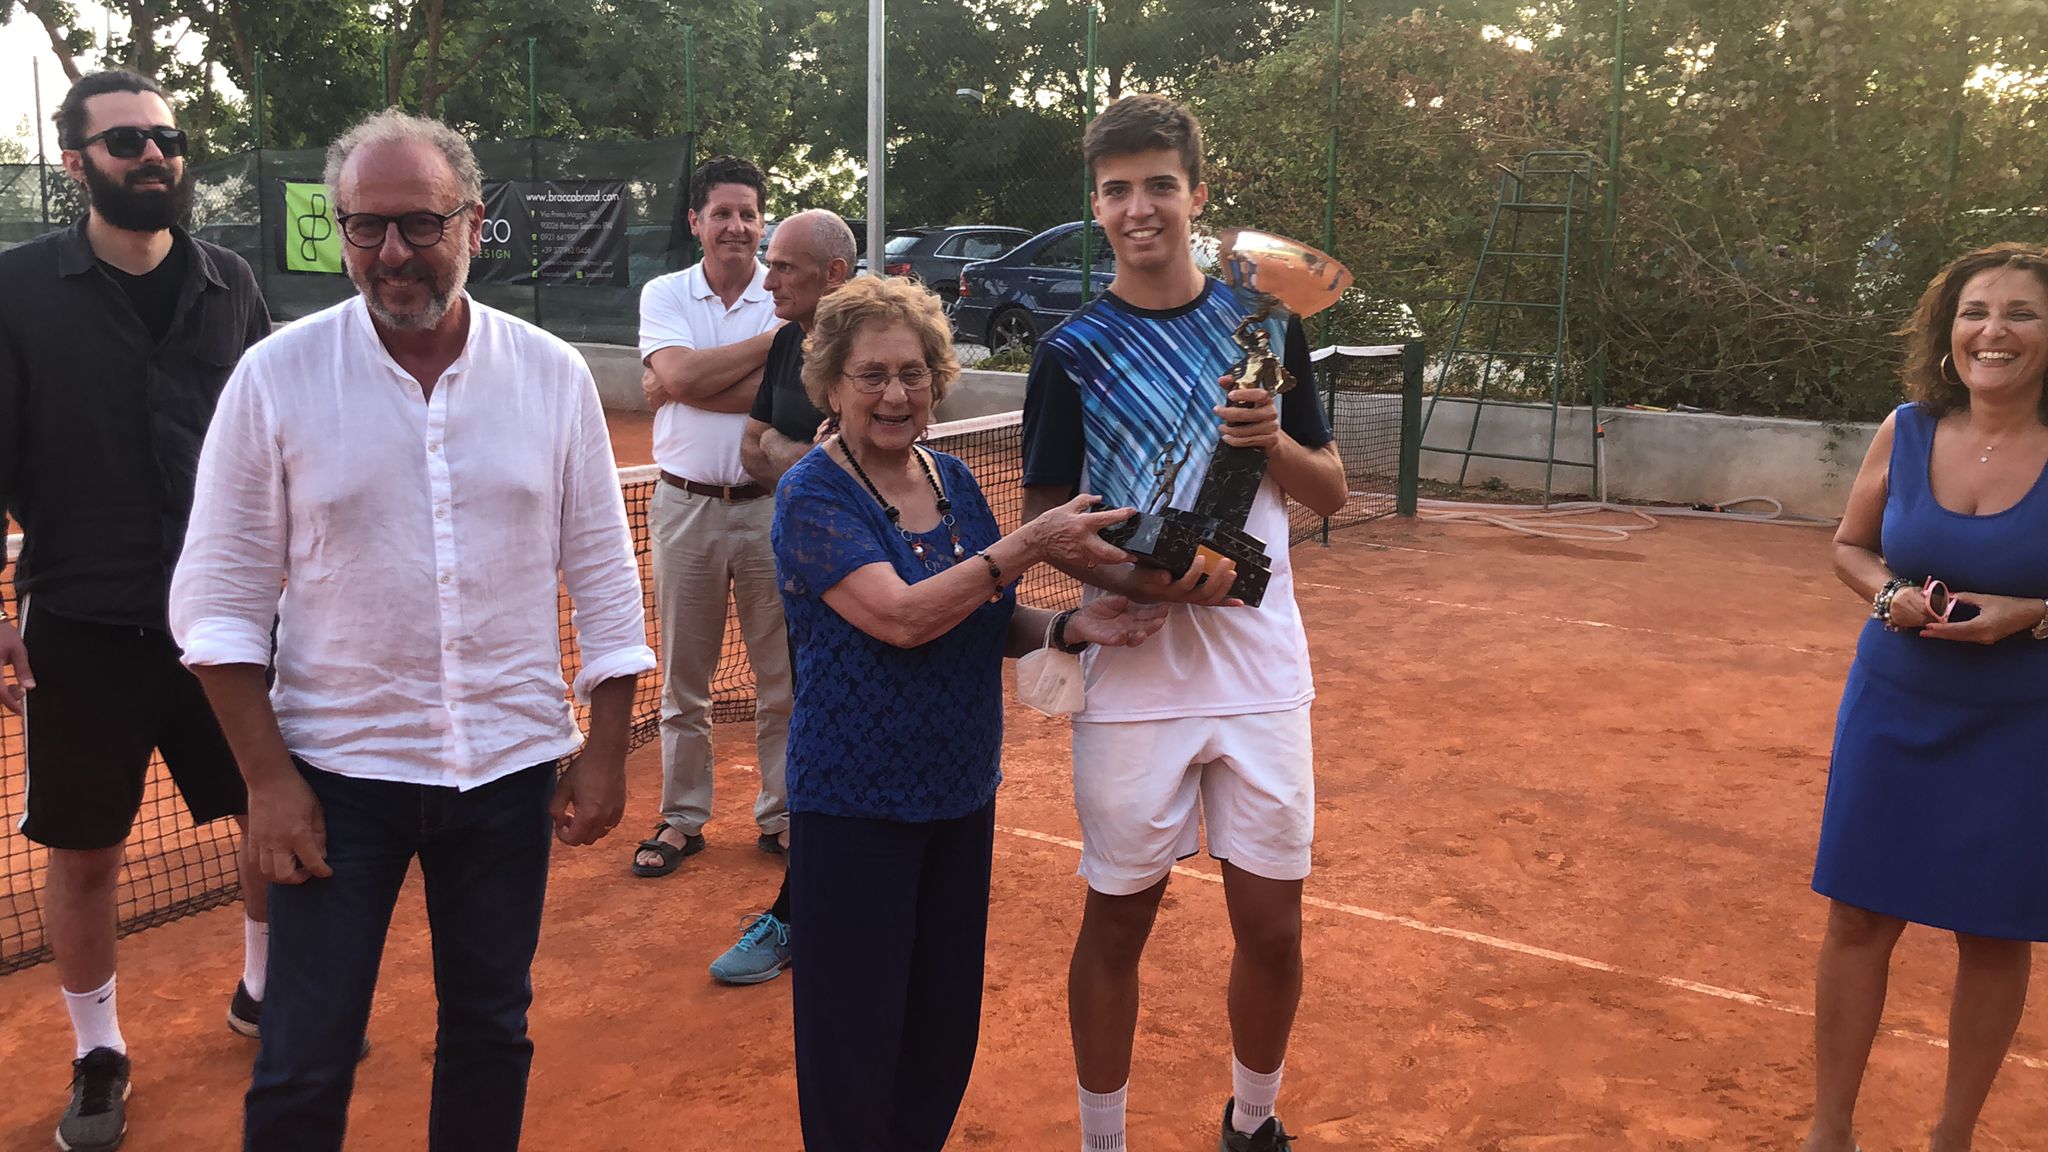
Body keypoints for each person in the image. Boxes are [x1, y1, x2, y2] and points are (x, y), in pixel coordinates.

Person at [168, 108, 654, 1151]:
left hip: (509, 772)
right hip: (334, 780)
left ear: (473, 223)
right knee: (303, 1055)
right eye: (366, 226)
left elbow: (606, 578)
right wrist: (268, 783)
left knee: (490, 1030)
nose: (392, 253)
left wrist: (607, 749)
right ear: (340, 231)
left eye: (420, 224)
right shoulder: (276, 377)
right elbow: (217, 599)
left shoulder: (552, 375)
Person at [1019, 94, 1348, 1152]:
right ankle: (1101, 1142)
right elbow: (1044, 521)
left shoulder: (1268, 327)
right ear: (1097, 205)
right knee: (1117, 920)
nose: (1139, 208)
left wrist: (1271, 440)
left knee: (1273, 928)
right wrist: (1147, 579)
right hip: (1134, 674)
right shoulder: (1071, 352)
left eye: (1159, 185)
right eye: (1117, 190)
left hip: (1260, 672)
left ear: (1197, 195)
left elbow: (1331, 491)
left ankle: (1252, 1122)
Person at [778, 275, 1167, 1152]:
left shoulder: (951, 478)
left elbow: (984, 613)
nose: (895, 394)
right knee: (854, 1042)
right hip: (855, 808)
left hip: (960, 794)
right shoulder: (814, 494)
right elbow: (902, 617)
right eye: (872, 374)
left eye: (913, 373)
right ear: (832, 385)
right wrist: (1030, 543)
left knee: (940, 1029)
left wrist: (1067, 626)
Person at [0, 68, 271, 1152]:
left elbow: (272, 445)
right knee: (86, 855)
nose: (155, 154)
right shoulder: (16, 290)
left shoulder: (230, 282)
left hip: (226, 621)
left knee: (273, 814)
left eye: (167, 137)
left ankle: (265, 990)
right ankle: (98, 1051)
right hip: (80, 621)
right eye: (126, 142)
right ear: (77, 163)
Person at [1804, 242, 2048, 1152]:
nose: (1994, 332)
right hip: (1893, 706)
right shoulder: (1905, 428)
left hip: (2023, 723)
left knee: (1994, 933)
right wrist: (1885, 595)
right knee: (1859, 916)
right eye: (1975, 312)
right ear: (1949, 332)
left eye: (2021, 313)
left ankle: (1952, 1139)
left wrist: (2034, 614)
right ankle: (1830, 1133)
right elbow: (1850, 546)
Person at [702, 208, 857, 986]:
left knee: (838, 737)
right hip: (801, 570)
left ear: (835, 273)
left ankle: (802, 913)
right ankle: (813, 906)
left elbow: (872, 459)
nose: (769, 281)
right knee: (814, 725)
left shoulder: (872, 344)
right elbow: (751, 446)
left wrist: (790, 457)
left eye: (785, 267)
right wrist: (808, 458)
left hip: (867, 572)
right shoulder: (790, 342)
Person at [631, 155, 794, 876]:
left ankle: (783, 816)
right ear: (696, 221)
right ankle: (682, 819)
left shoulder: (782, 290)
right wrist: (776, 346)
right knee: (683, 680)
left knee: (781, 678)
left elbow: (794, 393)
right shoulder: (665, 291)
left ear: (762, 224)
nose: (736, 226)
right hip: (684, 507)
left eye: (748, 214)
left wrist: (688, 380)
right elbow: (683, 376)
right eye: (721, 213)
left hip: (773, 510)